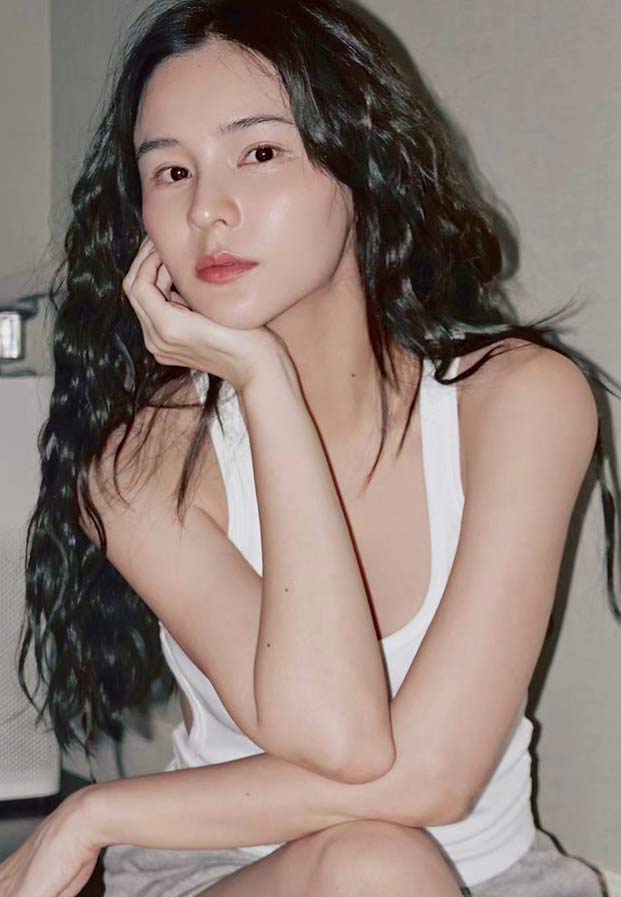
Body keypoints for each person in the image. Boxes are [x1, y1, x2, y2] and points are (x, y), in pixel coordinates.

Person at [1, 1, 618, 895]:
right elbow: (337, 735)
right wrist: (265, 385)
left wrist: (95, 811)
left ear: (360, 166)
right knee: (373, 863)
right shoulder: (142, 465)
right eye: (170, 170)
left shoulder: (518, 400)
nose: (207, 209)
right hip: (235, 872)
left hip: (493, 878)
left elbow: (433, 780)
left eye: (259, 153)